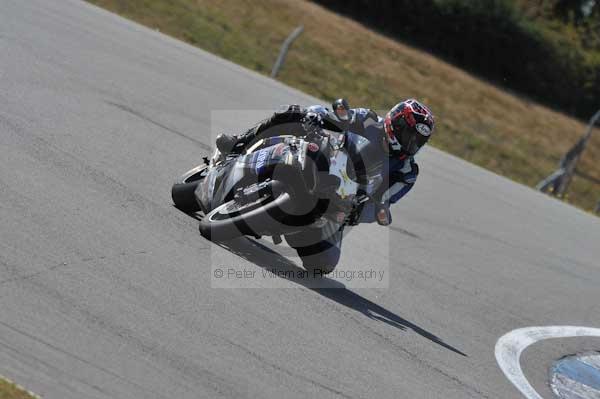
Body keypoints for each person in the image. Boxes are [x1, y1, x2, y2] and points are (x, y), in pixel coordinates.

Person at [215, 99, 435, 273]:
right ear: (395, 123)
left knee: (323, 264)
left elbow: (384, 201)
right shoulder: (368, 120)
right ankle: (239, 143)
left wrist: (363, 211)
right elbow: (334, 116)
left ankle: (293, 223)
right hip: (323, 161)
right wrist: (315, 116)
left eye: (418, 141)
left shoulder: (406, 172)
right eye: (409, 135)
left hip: (342, 201)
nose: (411, 143)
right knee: (290, 112)